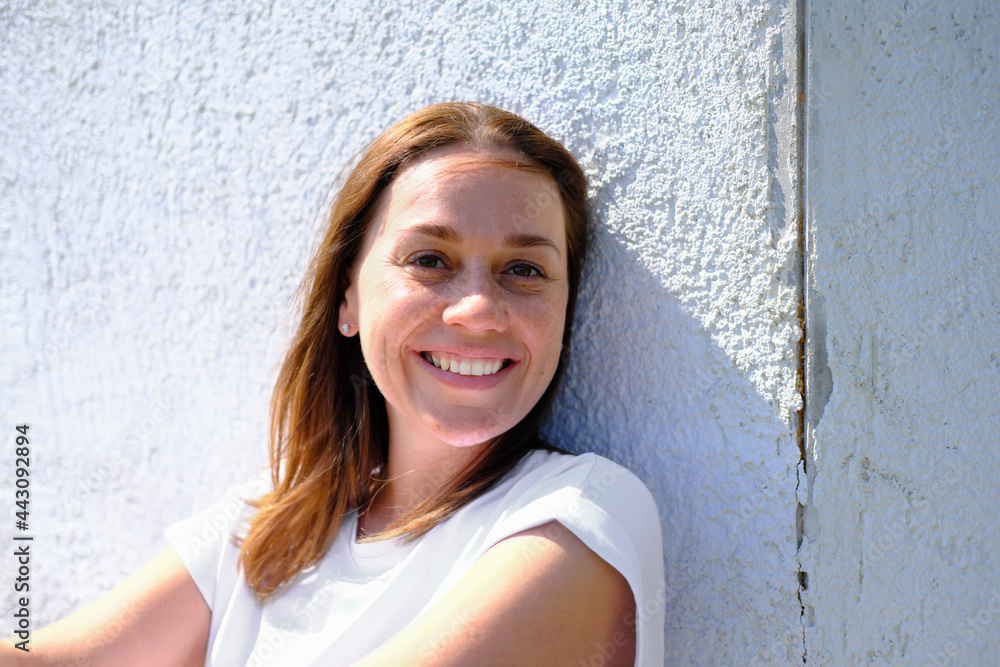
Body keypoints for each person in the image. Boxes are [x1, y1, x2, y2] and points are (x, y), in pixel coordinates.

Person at [1, 102, 663, 666]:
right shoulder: (267, 524)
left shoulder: (584, 513)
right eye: (430, 259)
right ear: (348, 297)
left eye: (523, 270)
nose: (478, 310)